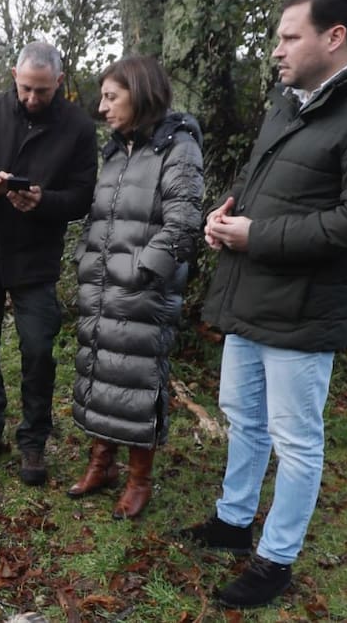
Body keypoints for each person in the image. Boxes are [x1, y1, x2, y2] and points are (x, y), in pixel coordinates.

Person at [183, 0, 347, 608]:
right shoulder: (291, 101)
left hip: (307, 306)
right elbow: (264, 181)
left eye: (290, 37)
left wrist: (257, 235)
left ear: (334, 37)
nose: (277, 49)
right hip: (252, 292)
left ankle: (275, 560)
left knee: (295, 439)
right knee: (243, 416)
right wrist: (227, 214)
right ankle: (233, 522)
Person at [0, 41, 98, 486]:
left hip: (35, 258)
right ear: (14, 75)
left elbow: (83, 195)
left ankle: (34, 440)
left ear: (59, 82)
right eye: (26, 88)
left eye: (42, 91)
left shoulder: (78, 127)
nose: (31, 98)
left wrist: (45, 201)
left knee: (39, 350)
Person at [67, 56, 204, 518]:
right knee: (100, 372)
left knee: (138, 380)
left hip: (143, 292)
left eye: (112, 97)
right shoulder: (115, 151)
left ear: (140, 93)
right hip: (101, 286)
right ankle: (101, 463)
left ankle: (139, 479)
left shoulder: (178, 148)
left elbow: (183, 223)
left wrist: (142, 272)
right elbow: (100, 217)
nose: (102, 107)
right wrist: (86, 258)